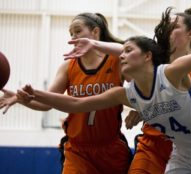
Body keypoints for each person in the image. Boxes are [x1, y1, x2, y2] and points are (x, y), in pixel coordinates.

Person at [18, 8, 191, 174]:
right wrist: (30, 95)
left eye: (127, 52)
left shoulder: (174, 70)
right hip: (182, 153)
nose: (121, 57)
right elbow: (79, 104)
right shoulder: (133, 89)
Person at [0, 13, 131, 174]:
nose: (73, 36)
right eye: (71, 33)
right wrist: (20, 99)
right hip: (78, 150)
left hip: (111, 148)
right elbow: (46, 104)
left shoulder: (116, 61)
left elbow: (131, 51)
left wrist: (95, 44)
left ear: (95, 32)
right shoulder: (68, 67)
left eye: (77, 31)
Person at [125, 7, 191, 174]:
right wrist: (141, 109)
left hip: (187, 147)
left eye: (174, 26)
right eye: (167, 26)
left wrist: (178, 100)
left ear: (190, 34)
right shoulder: (155, 64)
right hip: (152, 145)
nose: (167, 30)